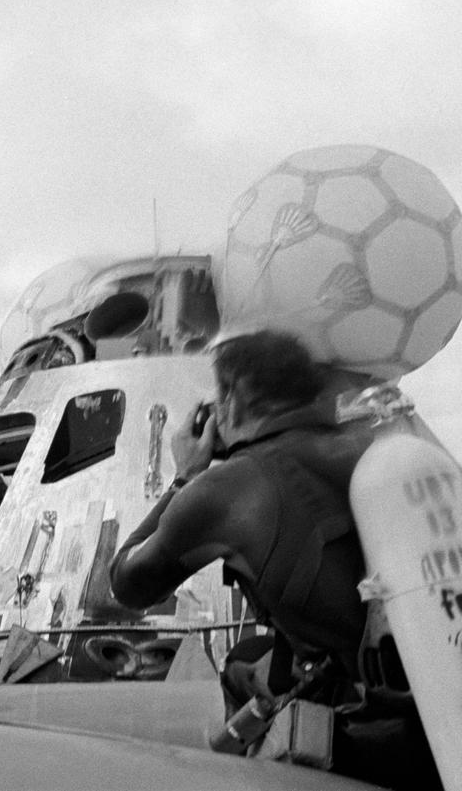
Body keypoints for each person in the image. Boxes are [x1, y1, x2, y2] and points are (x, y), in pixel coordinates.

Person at [108, 329, 438, 789]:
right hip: (433, 695)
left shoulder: (227, 489)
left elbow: (127, 583)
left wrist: (185, 477)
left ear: (230, 401)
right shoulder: (376, 444)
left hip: (375, 734)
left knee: (246, 676)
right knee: (248, 658)